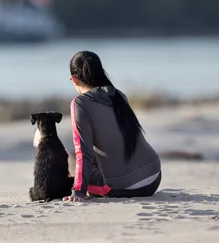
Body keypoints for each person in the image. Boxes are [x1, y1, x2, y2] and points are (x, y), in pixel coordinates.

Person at [63, 50, 162, 202]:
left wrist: (78, 192)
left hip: (123, 187)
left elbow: (84, 152)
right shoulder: (119, 96)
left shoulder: (80, 104)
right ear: (101, 72)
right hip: (154, 177)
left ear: (74, 80)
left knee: (67, 157)